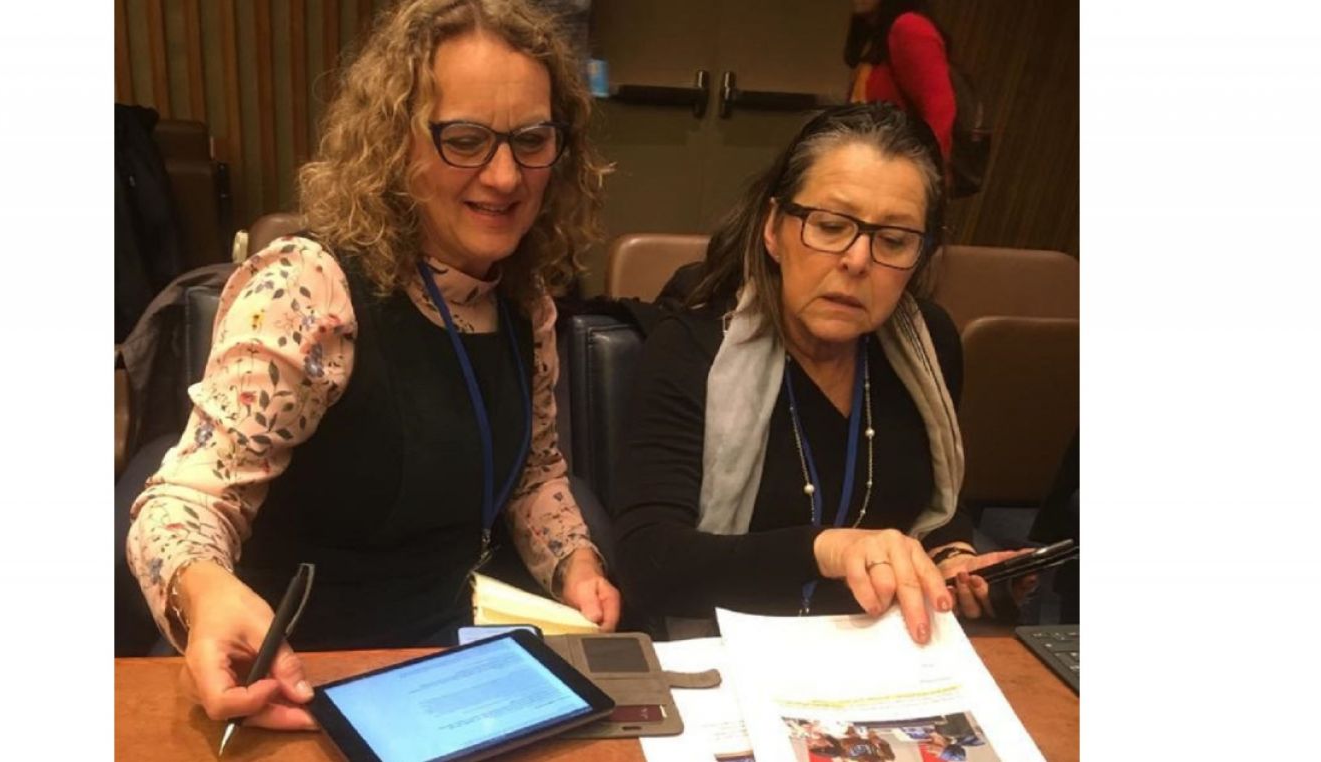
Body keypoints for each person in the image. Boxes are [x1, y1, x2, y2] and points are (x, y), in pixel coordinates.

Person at [125, 0, 619, 731]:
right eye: (465, 139)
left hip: (452, 670)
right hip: (305, 684)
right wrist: (201, 589)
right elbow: (182, 504)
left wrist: (574, 560)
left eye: (531, 139)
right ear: (396, 142)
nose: (507, 176)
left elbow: (534, 470)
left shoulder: (527, 302)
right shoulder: (309, 291)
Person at [612, 103, 1033, 645]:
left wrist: (954, 557)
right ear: (773, 230)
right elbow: (649, 565)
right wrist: (829, 550)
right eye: (831, 227)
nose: (858, 260)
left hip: (888, 646)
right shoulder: (692, 348)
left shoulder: (929, 343)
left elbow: (935, 503)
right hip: (737, 655)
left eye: (894, 240)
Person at [845, 0, 955, 164]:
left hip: (899, 175)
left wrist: (923, 178)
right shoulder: (876, 39)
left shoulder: (909, 27)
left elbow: (940, 111)